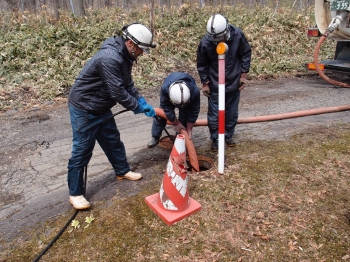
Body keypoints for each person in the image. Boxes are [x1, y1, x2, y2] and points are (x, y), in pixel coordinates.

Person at [67, 22, 156, 210]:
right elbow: (117, 92)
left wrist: (140, 100)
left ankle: (122, 170)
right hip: (84, 107)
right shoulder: (109, 58)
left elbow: (127, 84)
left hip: (101, 105)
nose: (141, 54)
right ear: (131, 44)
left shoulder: (126, 57)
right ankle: (75, 193)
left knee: (112, 140)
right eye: (141, 49)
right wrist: (135, 107)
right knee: (82, 149)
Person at [196, 14, 252, 151]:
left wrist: (243, 75)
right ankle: (215, 139)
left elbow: (245, 54)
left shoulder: (237, 35)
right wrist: (205, 83)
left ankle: (228, 135)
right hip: (215, 84)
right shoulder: (205, 43)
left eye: (219, 38)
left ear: (226, 31)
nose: (216, 41)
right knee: (214, 115)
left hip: (233, 82)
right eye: (213, 39)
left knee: (231, 113)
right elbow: (202, 64)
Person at [147, 72, 200, 148]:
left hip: (187, 98)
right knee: (161, 115)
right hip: (171, 92)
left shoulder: (194, 91)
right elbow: (166, 107)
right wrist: (175, 122)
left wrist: (189, 128)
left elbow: (194, 110)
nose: (180, 107)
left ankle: (179, 138)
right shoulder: (165, 89)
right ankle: (155, 137)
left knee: (184, 118)